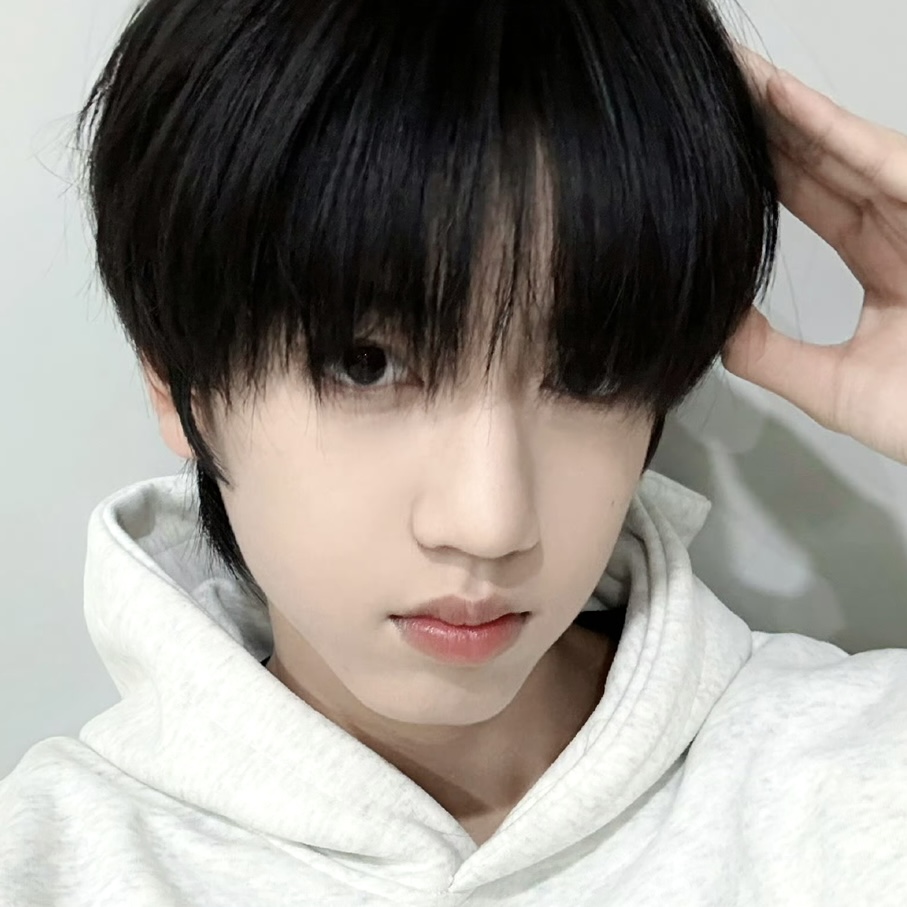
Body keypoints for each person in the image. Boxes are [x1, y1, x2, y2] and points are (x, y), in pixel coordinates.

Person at [2, 0, 906, 903]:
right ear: (178, 382)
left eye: (586, 371)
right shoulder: (49, 862)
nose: (489, 522)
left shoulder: (856, 770)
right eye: (366, 364)